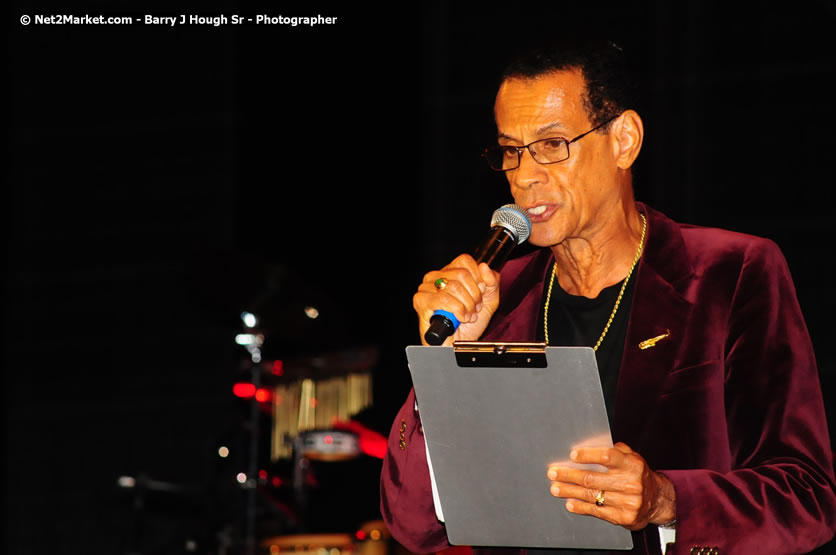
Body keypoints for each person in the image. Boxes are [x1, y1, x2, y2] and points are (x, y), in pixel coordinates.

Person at [379, 40, 836, 554]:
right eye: (511, 150)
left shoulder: (729, 273)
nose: (524, 176)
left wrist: (667, 500)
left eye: (553, 144)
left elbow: (806, 498)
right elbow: (414, 525)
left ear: (624, 140)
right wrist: (443, 364)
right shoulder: (496, 303)